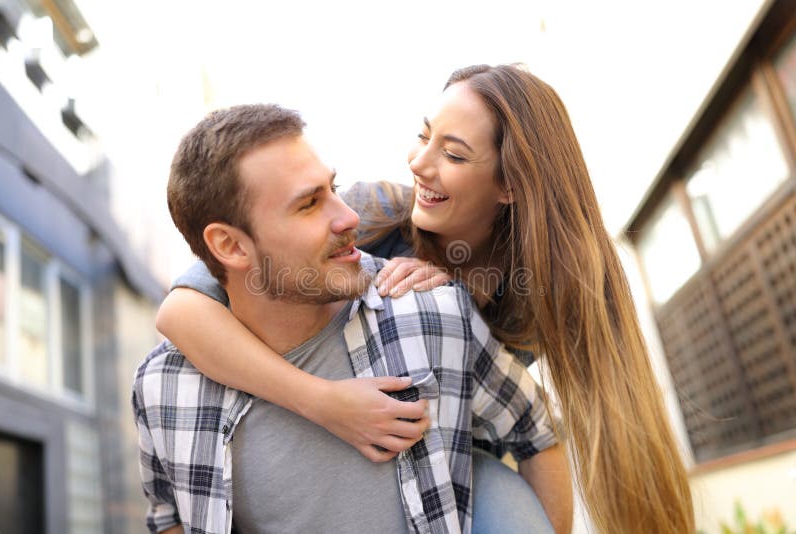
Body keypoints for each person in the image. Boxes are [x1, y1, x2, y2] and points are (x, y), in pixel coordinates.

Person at [157, 64, 695, 533]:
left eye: (453, 154)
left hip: (464, 455)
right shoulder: (371, 212)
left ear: (511, 186)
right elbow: (180, 312)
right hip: (366, 433)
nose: (418, 162)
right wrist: (321, 401)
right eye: (425, 135)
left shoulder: (543, 288)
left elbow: (542, 425)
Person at [133, 103, 566, 534]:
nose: (349, 216)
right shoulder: (163, 387)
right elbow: (169, 515)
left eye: (333, 189)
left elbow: (538, 432)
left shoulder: (432, 311)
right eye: (308, 203)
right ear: (229, 245)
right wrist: (319, 399)